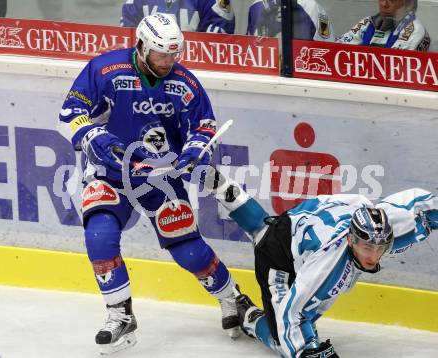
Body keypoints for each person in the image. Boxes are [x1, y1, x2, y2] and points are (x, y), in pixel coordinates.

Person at [58, 13, 240, 355]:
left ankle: (233, 298)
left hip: (161, 178)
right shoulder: (105, 69)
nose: (169, 61)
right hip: (111, 172)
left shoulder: (183, 81)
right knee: (99, 233)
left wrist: (192, 153)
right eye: (161, 55)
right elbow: (69, 112)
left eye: (174, 54)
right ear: (141, 47)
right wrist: (94, 134)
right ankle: (120, 315)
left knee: (190, 252)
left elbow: (204, 126)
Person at [203, 168, 438, 357]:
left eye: (380, 248)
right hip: (278, 261)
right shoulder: (328, 266)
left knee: (264, 229)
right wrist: (306, 352)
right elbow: (291, 314)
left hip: (302, 221)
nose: (373, 257)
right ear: (350, 239)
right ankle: (250, 316)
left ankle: (219, 183)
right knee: (282, 340)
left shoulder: (387, 221)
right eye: (367, 247)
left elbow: (423, 205)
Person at [337, 0, 430, 51]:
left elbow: (395, 65)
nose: (384, 4)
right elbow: (337, 49)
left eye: (392, 0)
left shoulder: (414, 29)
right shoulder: (368, 23)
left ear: (407, 4)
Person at [120, 0, 235, 34]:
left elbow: (216, 52)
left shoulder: (215, 3)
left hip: (198, 75)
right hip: (148, 73)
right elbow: (128, 45)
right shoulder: (135, 2)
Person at [246, 0, 334, 42]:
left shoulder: (313, 7)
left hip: (300, 74)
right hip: (263, 74)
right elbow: (250, 45)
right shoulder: (256, 6)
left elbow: (327, 48)